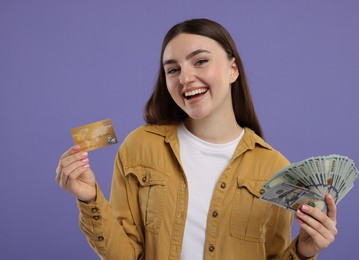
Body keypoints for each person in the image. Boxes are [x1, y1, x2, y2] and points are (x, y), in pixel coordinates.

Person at [56, 18, 337, 260]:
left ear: (233, 69)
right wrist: (90, 198)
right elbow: (125, 254)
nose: (185, 78)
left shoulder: (275, 168)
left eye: (200, 61)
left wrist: (304, 250)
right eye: (173, 69)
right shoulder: (140, 147)